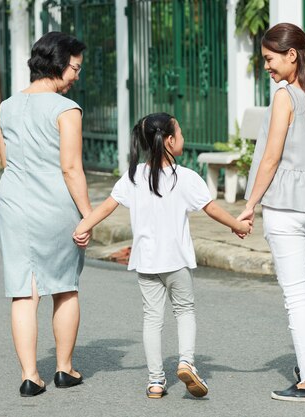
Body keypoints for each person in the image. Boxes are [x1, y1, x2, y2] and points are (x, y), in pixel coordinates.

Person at [72, 112, 252, 399]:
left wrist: (84, 225)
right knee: (184, 311)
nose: (182, 138)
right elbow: (212, 209)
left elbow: (107, 207)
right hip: (177, 260)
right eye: (179, 134)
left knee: (152, 318)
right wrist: (238, 225)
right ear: (169, 141)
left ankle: (155, 382)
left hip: (145, 261)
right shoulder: (186, 178)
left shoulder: (133, 176)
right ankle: (186, 362)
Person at [237, 23, 305, 403]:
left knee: (296, 296)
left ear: (291, 55)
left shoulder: (285, 96)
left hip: (286, 204)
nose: (266, 66)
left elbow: (270, 158)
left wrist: (250, 205)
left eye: (269, 59)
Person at [0, 31, 92, 397]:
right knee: (65, 287)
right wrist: (88, 215)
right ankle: (65, 369)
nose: (76, 76)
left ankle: (29, 375)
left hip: (13, 204)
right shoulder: (66, 109)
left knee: (23, 292)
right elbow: (71, 169)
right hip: (53, 204)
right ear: (59, 63)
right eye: (75, 68)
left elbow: (7, 162)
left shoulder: (7, 105)